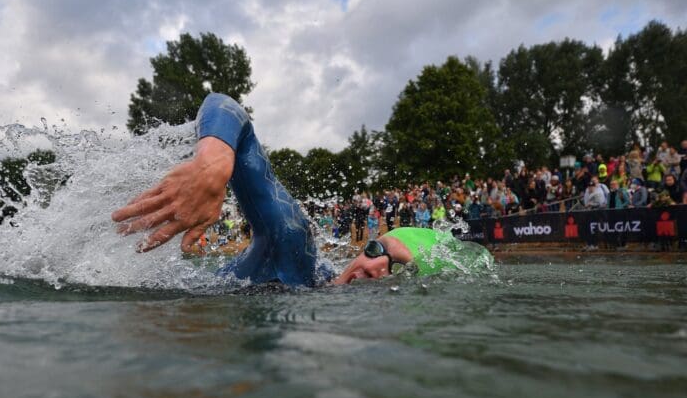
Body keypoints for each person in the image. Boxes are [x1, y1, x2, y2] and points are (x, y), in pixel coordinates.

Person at [112, 93, 482, 287]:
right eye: (376, 250)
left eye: (398, 270)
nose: (374, 269)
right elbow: (224, 107)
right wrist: (212, 168)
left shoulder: (317, 285)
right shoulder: (297, 252)